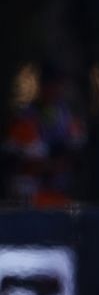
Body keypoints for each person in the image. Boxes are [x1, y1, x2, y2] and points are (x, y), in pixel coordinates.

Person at [4, 63, 88, 207]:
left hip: (61, 199)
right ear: (42, 85)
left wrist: (65, 158)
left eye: (59, 85)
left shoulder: (66, 116)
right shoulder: (26, 118)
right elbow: (20, 161)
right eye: (52, 84)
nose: (56, 89)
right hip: (31, 201)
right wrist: (50, 163)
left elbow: (77, 151)